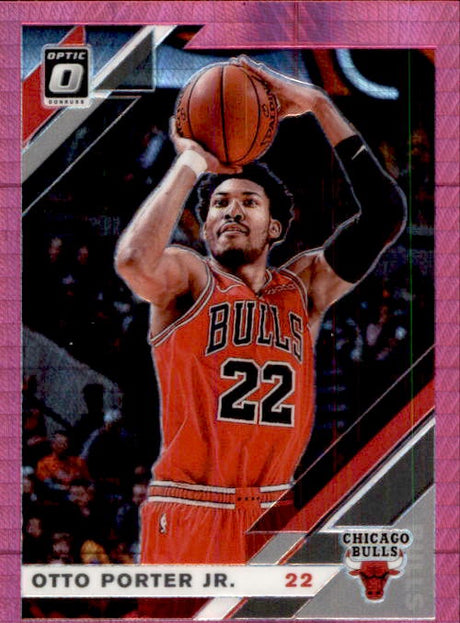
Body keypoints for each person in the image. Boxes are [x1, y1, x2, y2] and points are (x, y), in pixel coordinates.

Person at [115, 56, 406, 564]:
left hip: (273, 509)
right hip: (190, 507)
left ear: (274, 227)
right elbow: (133, 260)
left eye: (249, 202)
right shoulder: (188, 278)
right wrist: (192, 162)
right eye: (220, 203)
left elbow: (385, 214)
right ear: (206, 227)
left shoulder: (304, 287)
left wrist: (320, 106)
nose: (232, 209)